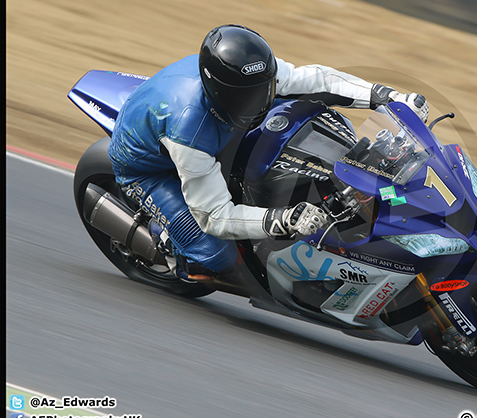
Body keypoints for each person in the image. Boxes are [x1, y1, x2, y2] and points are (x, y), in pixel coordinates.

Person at [108, 24, 429, 283]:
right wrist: (281, 219)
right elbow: (214, 216)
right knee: (217, 256)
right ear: (221, 92)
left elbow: (319, 80)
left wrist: (387, 97)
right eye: (252, 95)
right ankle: (168, 242)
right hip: (148, 167)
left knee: (322, 126)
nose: (265, 98)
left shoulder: (257, 77)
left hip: (214, 127)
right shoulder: (190, 132)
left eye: (267, 86)